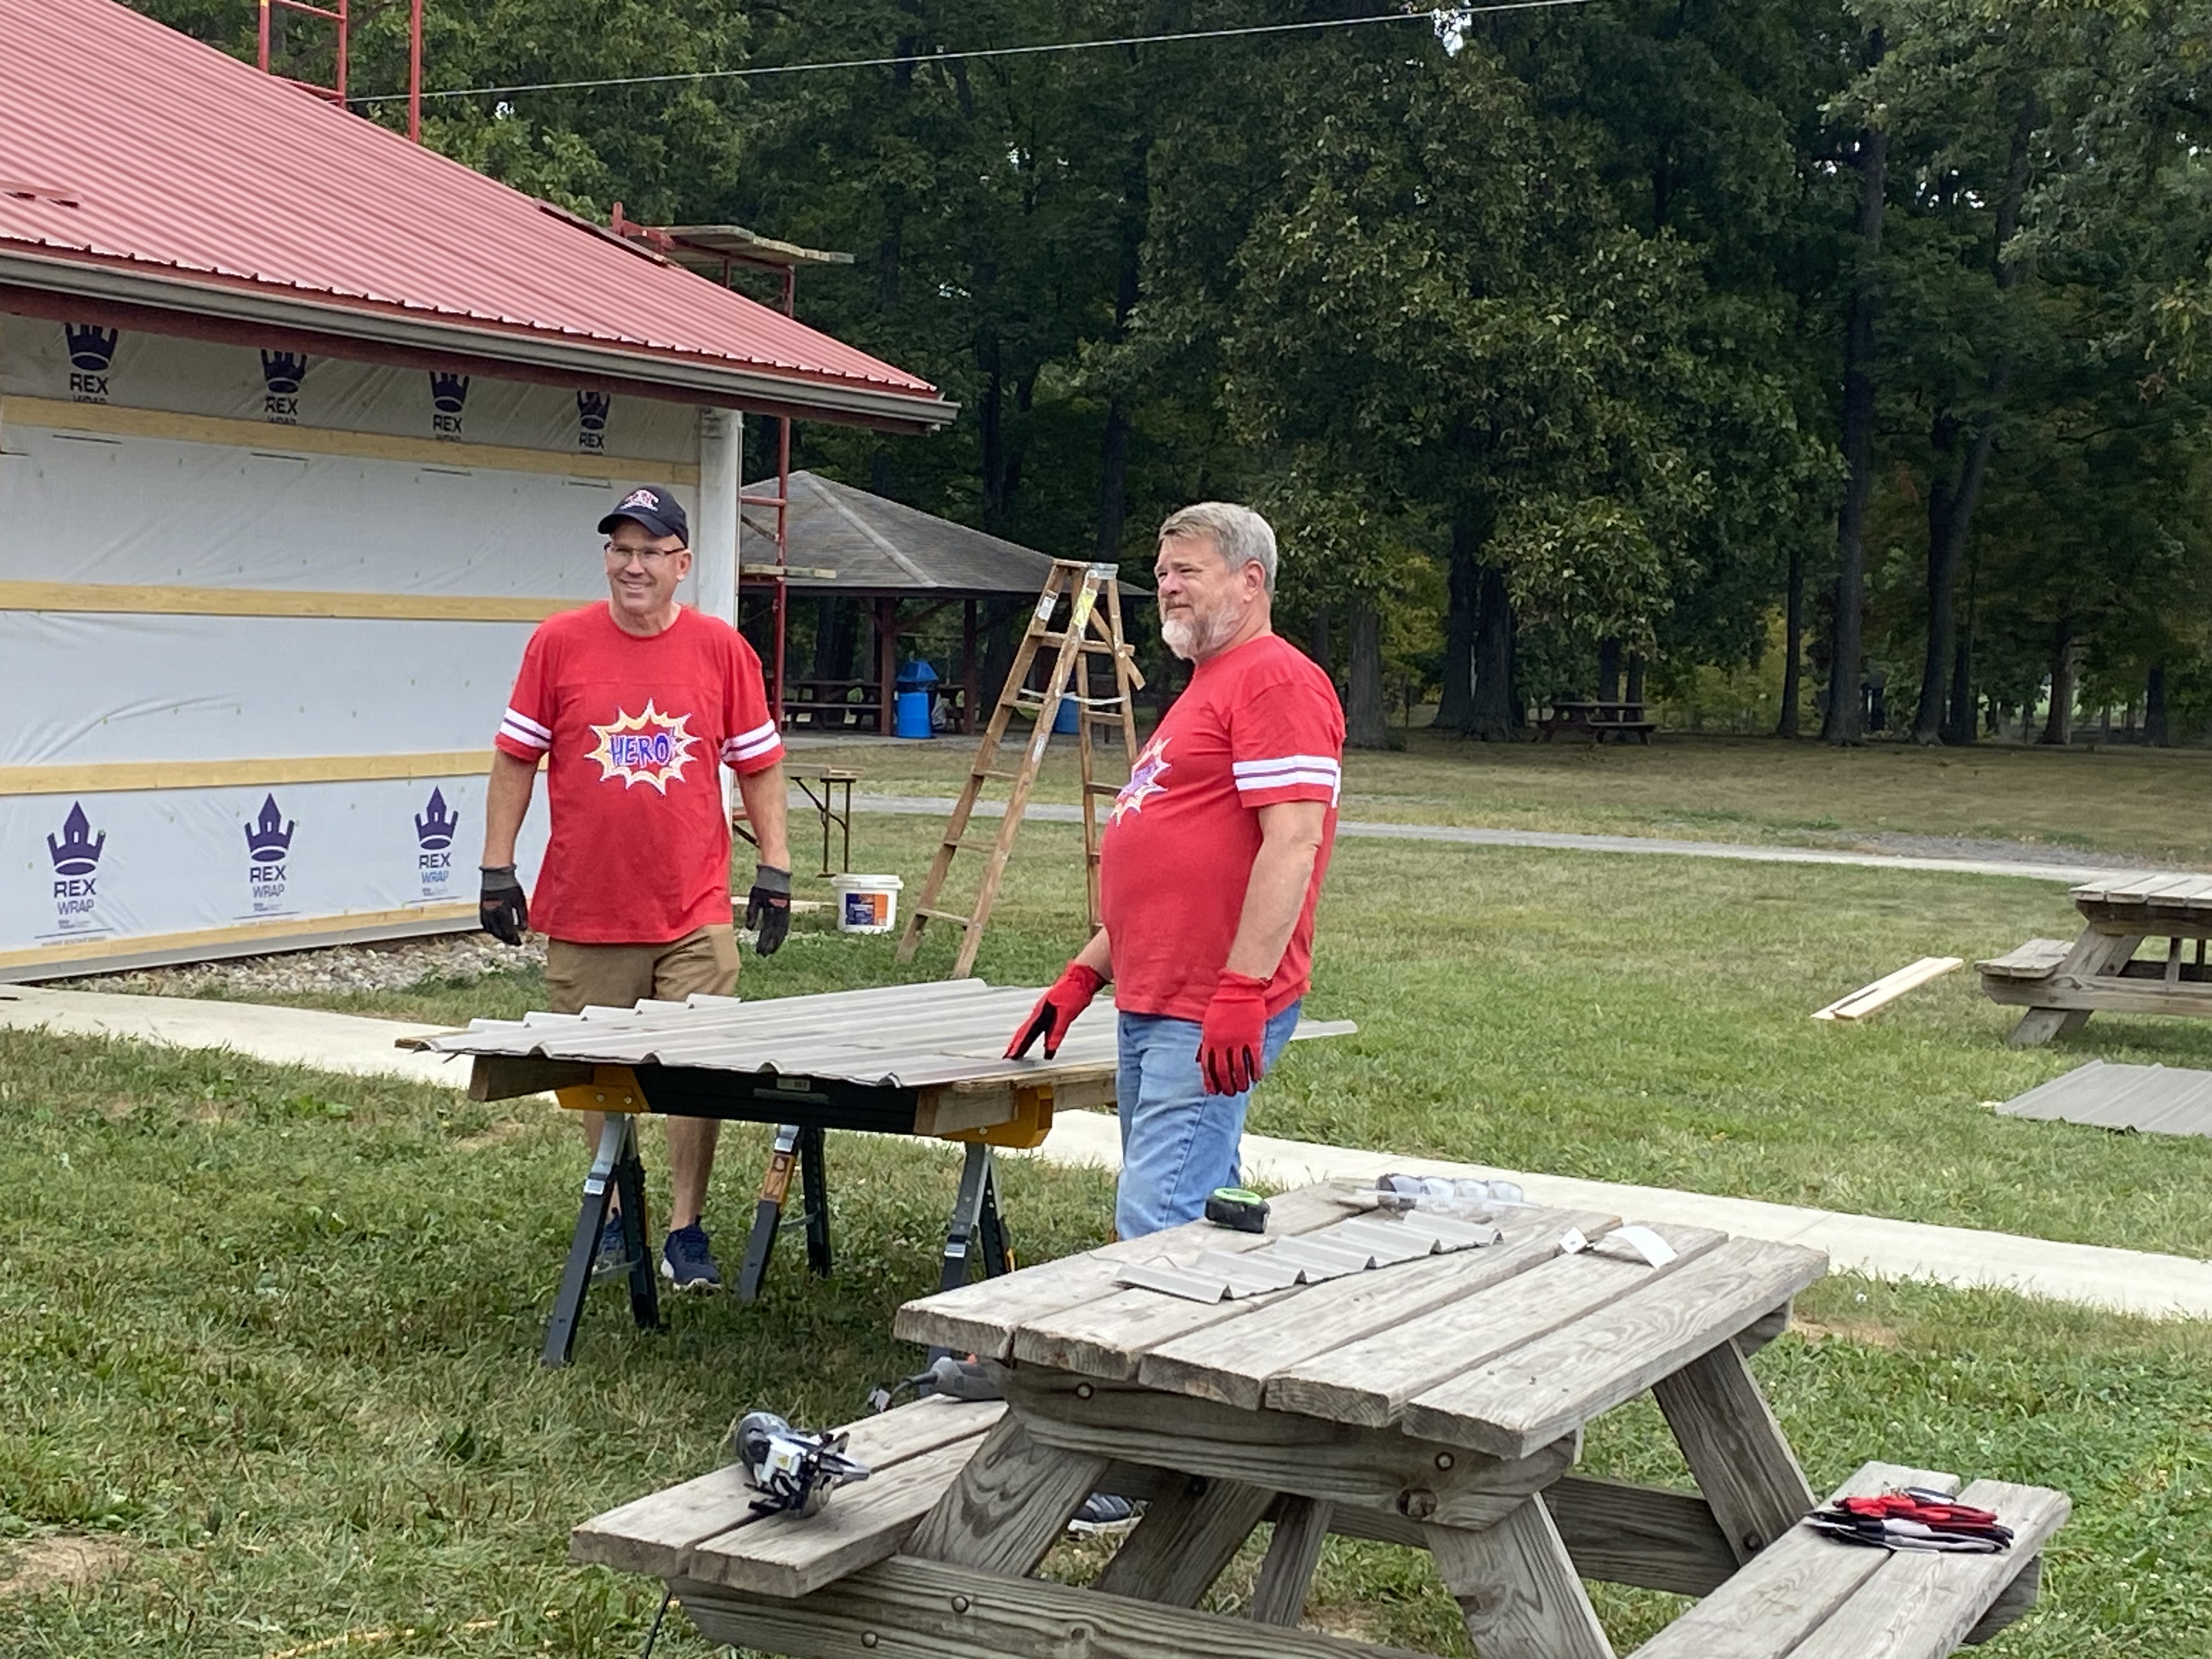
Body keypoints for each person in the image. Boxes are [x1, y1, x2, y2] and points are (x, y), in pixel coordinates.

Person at [479, 484, 792, 1293]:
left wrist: (777, 871)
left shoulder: (721, 651)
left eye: (652, 551)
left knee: (700, 1072)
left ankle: (686, 1228)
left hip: (693, 907)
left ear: (682, 565)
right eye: (621, 550)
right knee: (594, 1071)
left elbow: (759, 766)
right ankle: (618, 1208)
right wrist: (495, 865)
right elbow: (517, 757)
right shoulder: (558, 644)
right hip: (586, 908)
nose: (634, 565)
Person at [1006, 501, 1344, 1240]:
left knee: (1161, 1223)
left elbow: (1292, 844)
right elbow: (1172, 861)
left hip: (1208, 1001)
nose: (1167, 587)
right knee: (1202, 1211)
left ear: (1250, 581)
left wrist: (1244, 988)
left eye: (1188, 571)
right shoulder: (1209, 683)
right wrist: (1087, 972)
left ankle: (1143, 1351)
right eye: (1162, 574)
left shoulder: (1275, 681)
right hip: (1155, 993)